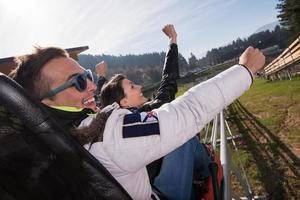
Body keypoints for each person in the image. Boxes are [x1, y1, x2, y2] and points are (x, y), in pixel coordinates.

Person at [10, 40, 265, 200]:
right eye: (78, 82)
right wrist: (244, 70)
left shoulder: (45, 149)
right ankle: (207, 166)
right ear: (44, 103)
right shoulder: (106, 132)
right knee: (185, 139)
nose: (90, 86)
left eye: (86, 75)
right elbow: (187, 111)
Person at [95, 25, 212, 199]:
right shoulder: (144, 115)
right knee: (184, 137)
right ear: (124, 102)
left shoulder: (107, 126)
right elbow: (168, 82)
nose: (140, 86)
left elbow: (103, 104)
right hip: (164, 193)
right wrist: (172, 41)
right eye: (133, 86)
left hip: (146, 189)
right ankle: (207, 168)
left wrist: (101, 79)